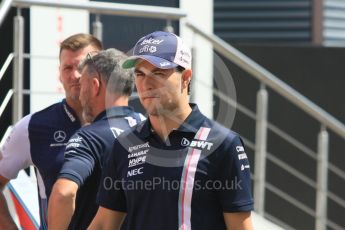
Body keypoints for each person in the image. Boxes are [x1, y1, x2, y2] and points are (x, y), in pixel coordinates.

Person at [89, 31, 254, 230]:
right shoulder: (124, 145)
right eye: (140, 74)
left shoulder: (224, 144)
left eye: (158, 73)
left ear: (186, 77)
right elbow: (103, 224)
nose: (146, 84)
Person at [0, 33, 102, 229]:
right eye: (67, 68)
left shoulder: (130, 124)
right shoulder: (32, 127)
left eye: (82, 67)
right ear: (60, 74)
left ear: (102, 70)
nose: (75, 75)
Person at [48, 48, 145, 230]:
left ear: (95, 85)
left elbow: (64, 193)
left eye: (82, 85)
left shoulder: (89, 137)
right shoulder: (151, 130)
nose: (80, 95)